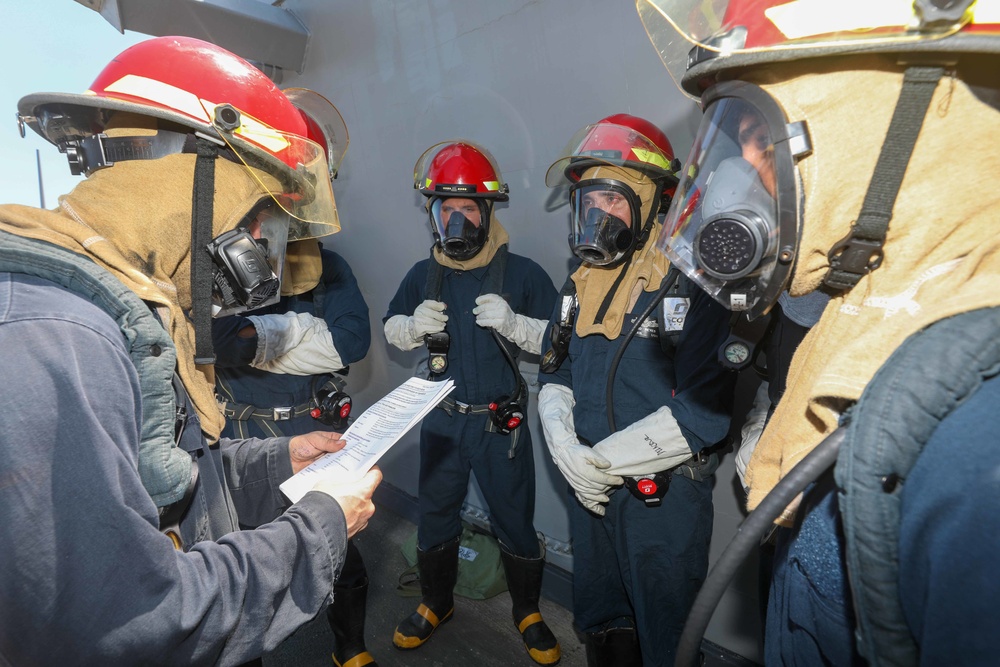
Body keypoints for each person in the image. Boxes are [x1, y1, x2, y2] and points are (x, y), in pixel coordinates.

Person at [638, 1, 1000, 664]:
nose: (747, 166)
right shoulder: (870, 315)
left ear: (903, 118)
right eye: (737, 133)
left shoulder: (979, 455)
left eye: (759, 130)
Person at [0, 36, 382, 665]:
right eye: (260, 215)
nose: (263, 243)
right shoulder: (58, 339)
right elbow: (131, 624)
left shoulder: (129, 312)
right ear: (186, 177)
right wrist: (318, 526)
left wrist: (279, 462)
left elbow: (165, 478)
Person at [536, 114, 736, 667]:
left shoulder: (696, 283)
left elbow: (704, 413)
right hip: (592, 489)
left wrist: (602, 459)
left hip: (661, 499)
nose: (599, 215)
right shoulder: (577, 282)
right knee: (600, 615)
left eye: (614, 200)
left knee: (666, 631)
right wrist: (565, 449)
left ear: (650, 205)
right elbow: (555, 370)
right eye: (589, 202)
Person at [211, 93, 376, 667]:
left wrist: (269, 336)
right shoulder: (217, 260)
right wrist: (293, 338)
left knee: (341, 548)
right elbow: (215, 344)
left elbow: (351, 343)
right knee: (242, 560)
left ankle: (349, 645)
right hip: (239, 434)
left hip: (310, 427)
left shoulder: (328, 267)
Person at [383, 140, 561, 665]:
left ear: (486, 214)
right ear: (433, 216)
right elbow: (391, 327)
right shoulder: (422, 274)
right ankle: (436, 602)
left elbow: (557, 340)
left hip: (498, 425)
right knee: (436, 516)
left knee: (515, 519)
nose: (457, 219)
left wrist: (516, 324)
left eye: (468, 209)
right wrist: (412, 327)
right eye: (447, 208)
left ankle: (527, 610)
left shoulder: (523, 274)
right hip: (441, 421)